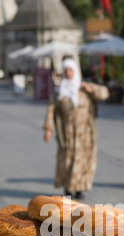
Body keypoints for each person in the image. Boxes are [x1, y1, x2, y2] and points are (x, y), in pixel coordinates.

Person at [43, 58, 109, 200]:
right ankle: (68, 189)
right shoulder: (59, 91)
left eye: (70, 70)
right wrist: (48, 129)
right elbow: (51, 109)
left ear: (75, 71)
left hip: (85, 134)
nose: (68, 73)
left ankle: (79, 188)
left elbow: (104, 93)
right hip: (67, 133)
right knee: (67, 161)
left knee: (84, 161)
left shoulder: (83, 87)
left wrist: (91, 89)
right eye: (65, 70)